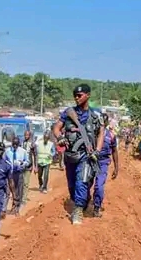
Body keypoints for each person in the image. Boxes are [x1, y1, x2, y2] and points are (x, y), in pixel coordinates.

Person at [51, 84, 104, 224]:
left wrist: (97, 150)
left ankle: (78, 211)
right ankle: (81, 201)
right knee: (72, 186)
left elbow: (101, 133)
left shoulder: (96, 115)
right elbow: (56, 128)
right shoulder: (68, 113)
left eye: (79, 95)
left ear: (88, 95)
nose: (76, 98)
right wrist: (60, 137)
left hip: (86, 155)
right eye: (75, 95)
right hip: (70, 156)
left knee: (82, 181)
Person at [90, 117, 119, 217]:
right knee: (85, 183)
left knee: (99, 186)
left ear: (106, 123)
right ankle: (83, 203)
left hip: (103, 162)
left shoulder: (111, 135)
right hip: (90, 161)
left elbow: (114, 151)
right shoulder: (92, 132)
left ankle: (96, 207)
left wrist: (116, 168)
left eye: (104, 120)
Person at [4, 137, 30, 215]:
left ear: (19, 144)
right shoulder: (7, 151)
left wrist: (23, 163)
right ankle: (4, 209)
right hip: (9, 174)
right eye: (13, 144)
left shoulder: (23, 151)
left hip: (19, 173)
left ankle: (16, 208)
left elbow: (27, 161)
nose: (15, 146)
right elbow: (3, 160)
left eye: (16, 144)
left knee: (19, 191)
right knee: (8, 191)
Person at [21, 130, 35, 204]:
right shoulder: (21, 143)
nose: (26, 136)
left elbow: (35, 155)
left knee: (26, 183)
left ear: (29, 136)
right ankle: (20, 196)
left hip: (28, 166)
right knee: (21, 182)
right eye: (25, 135)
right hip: (21, 165)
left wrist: (35, 166)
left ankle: (24, 198)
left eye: (27, 135)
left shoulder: (32, 144)